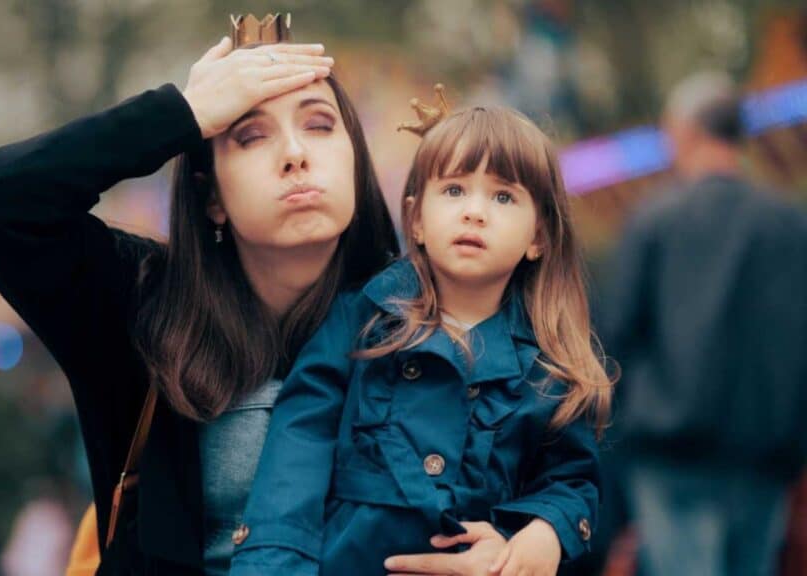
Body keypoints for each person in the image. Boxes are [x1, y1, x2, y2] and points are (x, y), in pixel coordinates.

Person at [0, 23, 399, 575]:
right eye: (251, 136)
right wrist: (180, 115)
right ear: (211, 197)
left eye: (320, 124)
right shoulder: (143, 304)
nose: (295, 154)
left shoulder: (420, 318)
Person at [229, 103, 613, 576]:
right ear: (415, 219)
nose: (474, 212)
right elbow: (298, 447)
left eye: (503, 198)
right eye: (453, 190)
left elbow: (571, 481)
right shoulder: (361, 320)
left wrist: (545, 534)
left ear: (539, 237)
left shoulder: (551, 364)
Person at [605, 71, 807, 576]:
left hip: (672, 459)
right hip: (766, 456)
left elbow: (618, 339)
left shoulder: (653, 219)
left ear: (682, 131)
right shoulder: (789, 225)